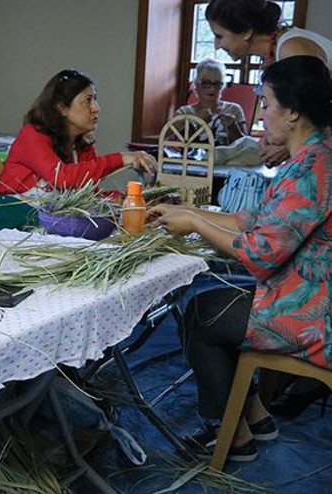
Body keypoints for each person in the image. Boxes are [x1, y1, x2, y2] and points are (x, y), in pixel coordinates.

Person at [148, 56, 332, 462]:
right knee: (214, 304)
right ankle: (253, 414)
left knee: (202, 313)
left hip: (312, 317)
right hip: (307, 297)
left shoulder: (309, 170)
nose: (262, 114)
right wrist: (187, 211)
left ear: (293, 112)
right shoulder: (315, 156)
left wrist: (195, 225)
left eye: (266, 104)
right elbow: (254, 221)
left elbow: (261, 254)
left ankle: (229, 433)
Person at [0, 69, 159, 234]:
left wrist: (128, 201)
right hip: (6, 225)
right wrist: (121, 159)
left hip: (45, 228)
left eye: (95, 99)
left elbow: (87, 196)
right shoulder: (33, 135)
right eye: (87, 101)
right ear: (61, 107)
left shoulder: (81, 143)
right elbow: (63, 178)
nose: (96, 109)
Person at [205, 0, 332, 164]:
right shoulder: (274, 53)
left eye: (219, 36)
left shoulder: (291, 49)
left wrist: (287, 145)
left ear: (246, 31)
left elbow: (319, 110)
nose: (217, 45)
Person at [175, 58, 247, 146]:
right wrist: (196, 122)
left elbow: (245, 145)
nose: (212, 89)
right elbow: (173, 143)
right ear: (196, 85)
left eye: (217, 84)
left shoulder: (234, 110)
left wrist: (233, 128)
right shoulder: (184, 113)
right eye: (206, 83)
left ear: (223, 86)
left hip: (228, 159)